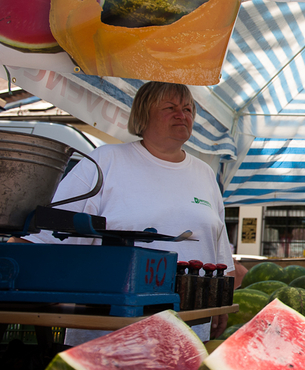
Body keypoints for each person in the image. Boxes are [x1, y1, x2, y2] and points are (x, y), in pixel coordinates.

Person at [10, 81, 234, 344]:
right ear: (142, 115)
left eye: (187, 108)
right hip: (108, 333)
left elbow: (220, 255)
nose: (181, 114)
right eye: (170, 107)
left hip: (189, 332)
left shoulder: (205, 174)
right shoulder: (104, 161)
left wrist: (222, 302)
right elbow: (42, 236)